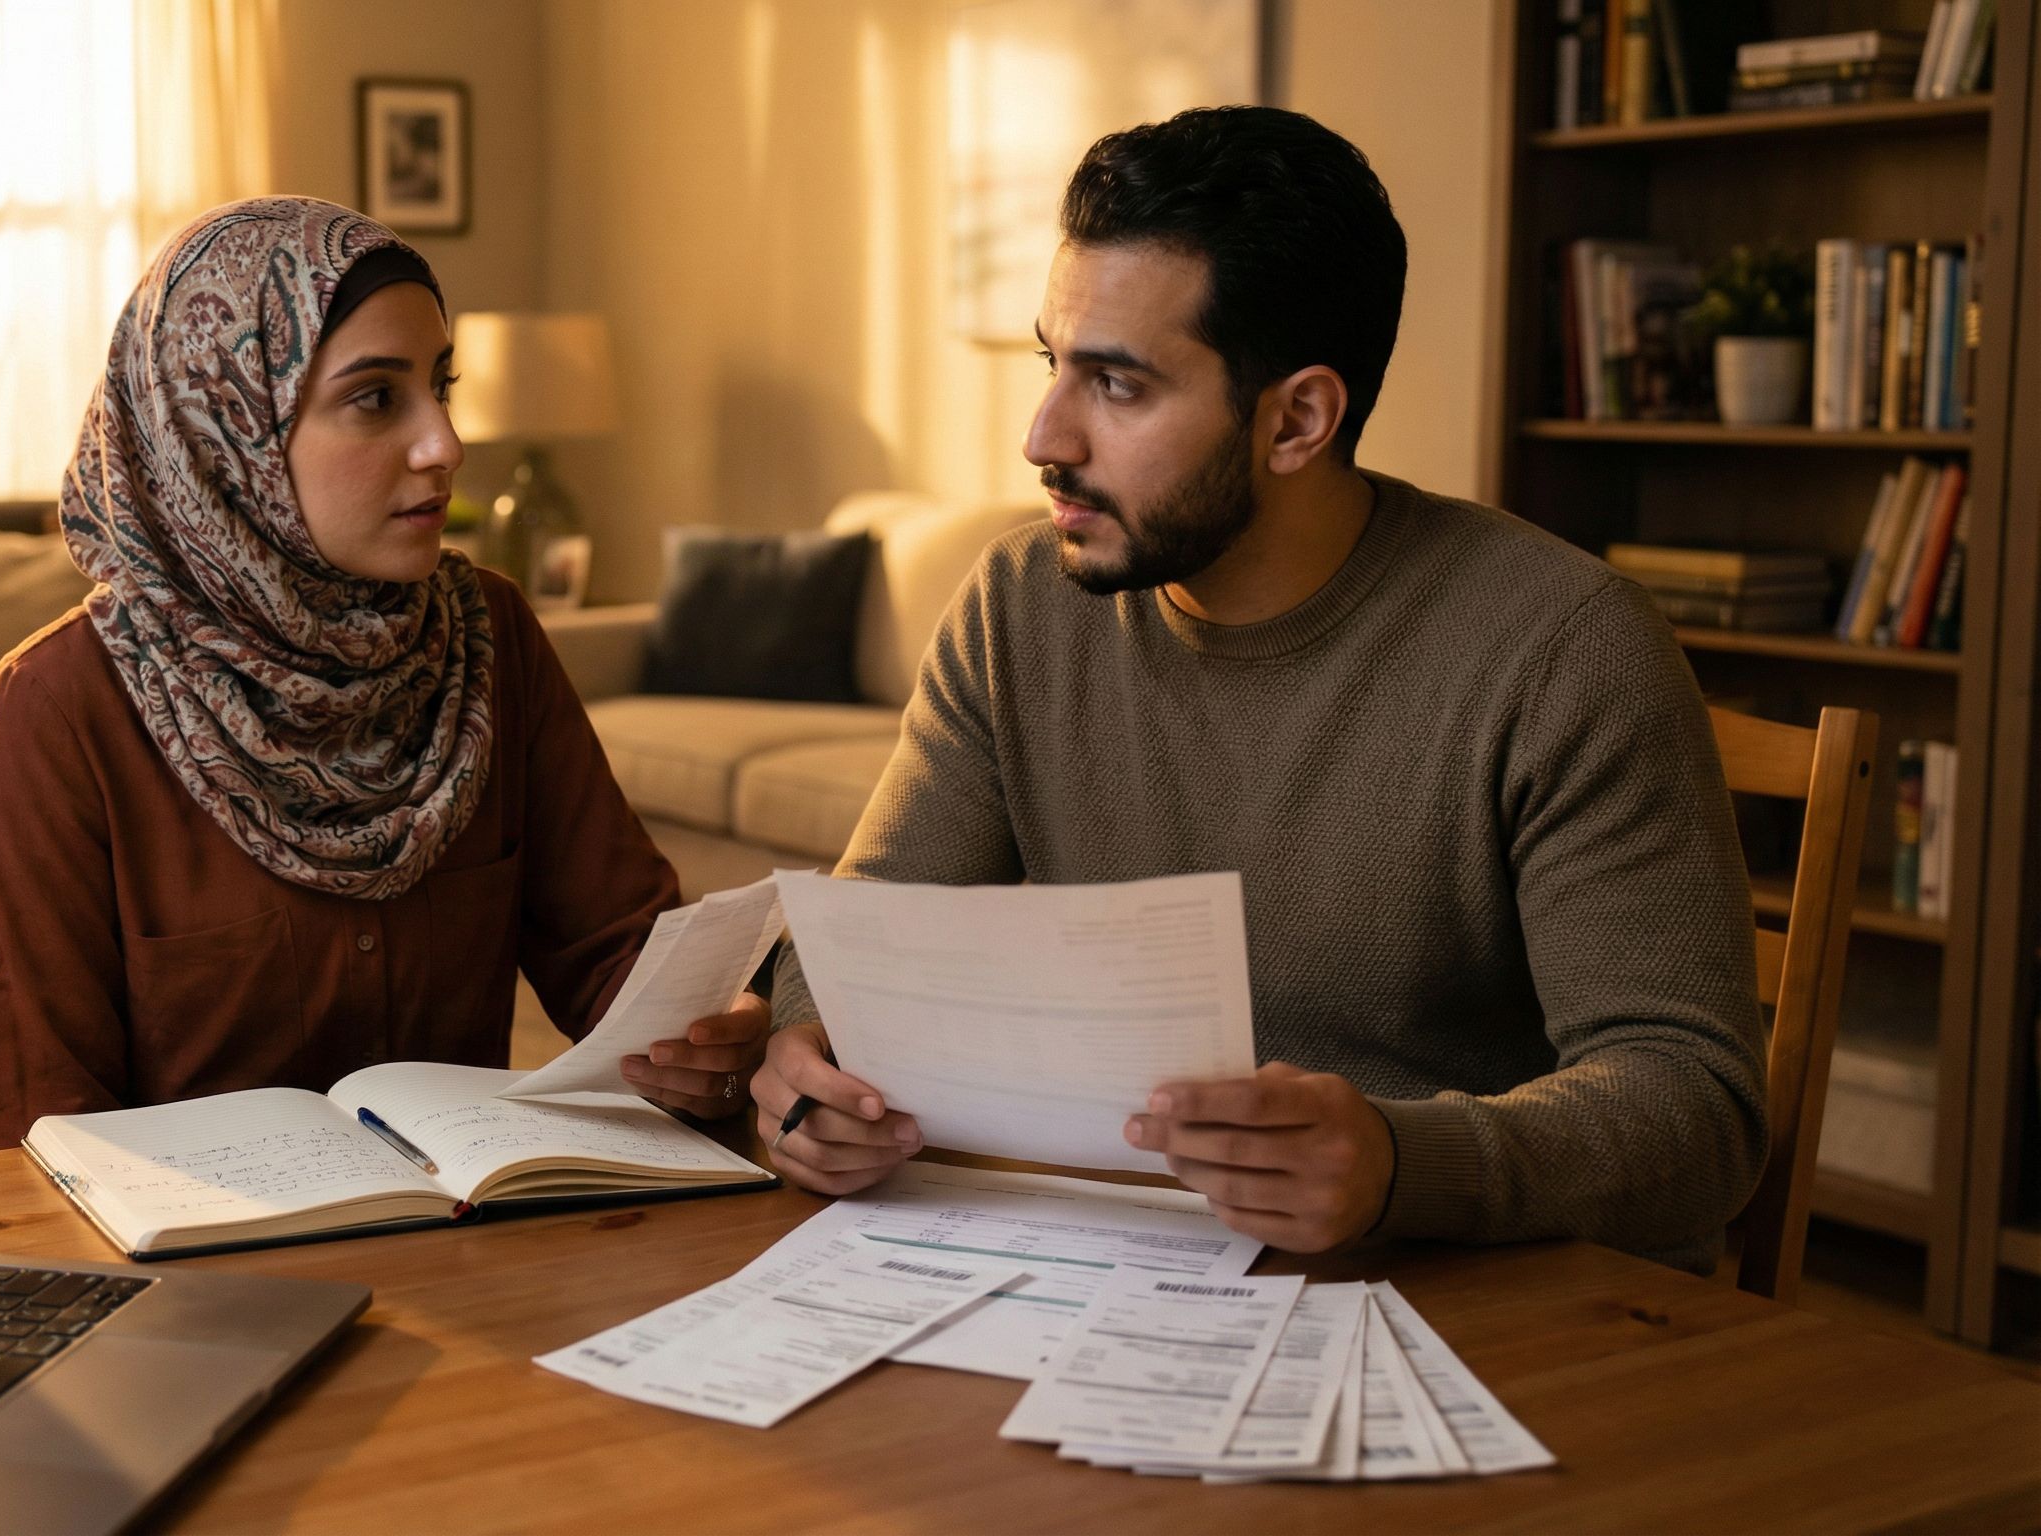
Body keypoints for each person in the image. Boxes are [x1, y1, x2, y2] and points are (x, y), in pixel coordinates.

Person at [751, 108, 1763, 1275]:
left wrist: (1398, 1162)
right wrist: (805, 1054)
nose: (1042, 435)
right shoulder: (1019, 604)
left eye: (1117, 386)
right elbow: (858, 939)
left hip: (1471, 1303)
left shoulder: (1563, 646)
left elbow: (1697, 1110)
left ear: (1297, 420)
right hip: (1117, 1277)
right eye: (1052, 364)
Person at [0, 197, 765, 1150]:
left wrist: (728, 1035)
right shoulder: (62, 706)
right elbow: (40, 1137)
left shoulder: (486, 636)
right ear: (228, 438)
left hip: (471, 1252)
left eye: (440, 387)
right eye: (376, 398)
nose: (446, 445)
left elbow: (619, 961)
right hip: (197, 1278)